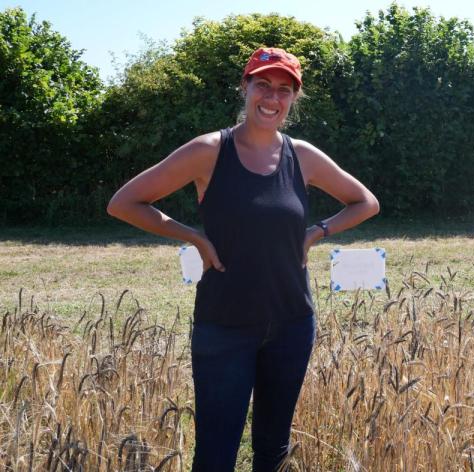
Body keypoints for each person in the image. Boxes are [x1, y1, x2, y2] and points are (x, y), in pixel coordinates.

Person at [107, 46, 379, 472]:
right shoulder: (209, 151)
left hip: (292, 323)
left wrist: (316, 232)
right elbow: (125, 203)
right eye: (263, 85)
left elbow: (365, 202)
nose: (272, 98)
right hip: (224, 326)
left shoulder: (301, 156)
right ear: (245, 86)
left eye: (284, 90)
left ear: (293, 99)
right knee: (216, 455)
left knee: (273, 450)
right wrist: (192, 235)